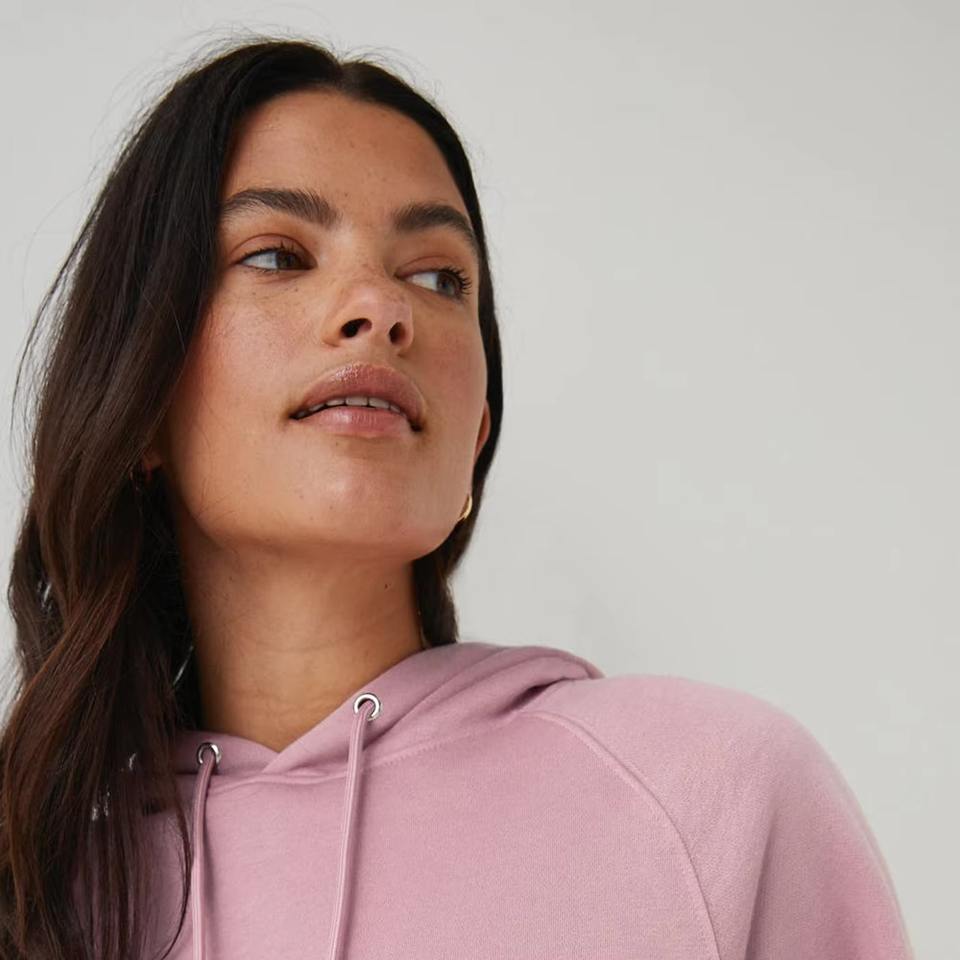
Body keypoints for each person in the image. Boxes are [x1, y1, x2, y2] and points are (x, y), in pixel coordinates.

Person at [0, 36, 914, 960]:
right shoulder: (38, 885)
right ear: (140, 399)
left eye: (439, 278)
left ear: (477, 430)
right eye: (277, 256)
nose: (379, 308)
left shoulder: (712, 799)